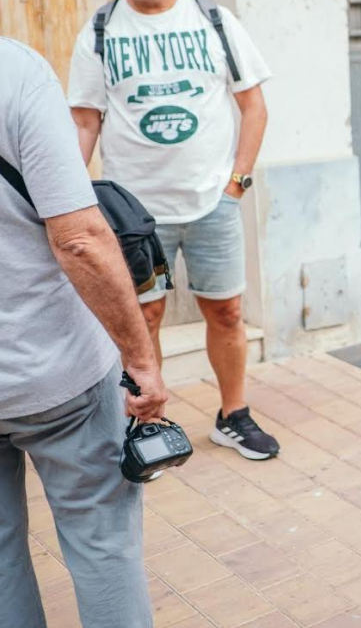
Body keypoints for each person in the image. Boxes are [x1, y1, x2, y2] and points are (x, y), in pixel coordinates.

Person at [67, 0, 279, 460]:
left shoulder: (214, 21)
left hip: (212, 204)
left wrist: (236, 185)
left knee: (226, 313)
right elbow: (85, 120)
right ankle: (150, 424)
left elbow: (253, 106)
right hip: (135, 217)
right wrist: (66, 202)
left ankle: (233, 415)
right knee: (143, 319)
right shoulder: (101, 30)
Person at [0, 35, 167, 627]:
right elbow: (79, 239)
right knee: (103, 546)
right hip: (56, 372)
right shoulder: (15, 71)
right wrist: (141, 361)